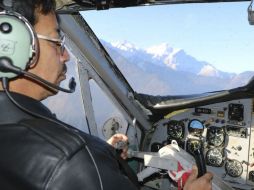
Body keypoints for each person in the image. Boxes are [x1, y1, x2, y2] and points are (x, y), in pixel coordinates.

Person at [0, 0, 213, 189]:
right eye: (57, 42)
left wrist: (102, 152)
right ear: (11, 49)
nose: (65, 56)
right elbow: (71, 166)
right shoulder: (73, 162)